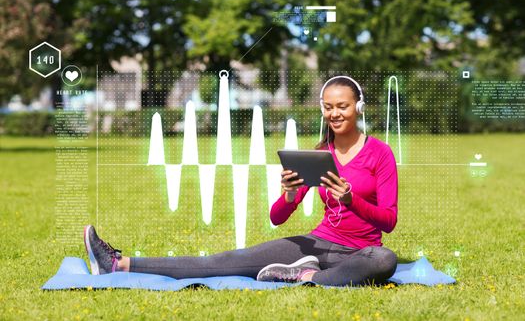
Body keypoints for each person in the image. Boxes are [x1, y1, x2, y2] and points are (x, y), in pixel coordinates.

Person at [83, 75, 398, 287]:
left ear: (358, 107)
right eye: (328, 107)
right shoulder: (319, 155)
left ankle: (310, 278)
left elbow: (389, 221)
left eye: (342, 106)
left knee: (385, 260)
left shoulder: (380, 154)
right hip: (315, 244)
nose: (335, 114)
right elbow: (277, 218)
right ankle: (118, 264)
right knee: (225, 261)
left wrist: (350, 200)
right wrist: (288, 195)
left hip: (360, 252)